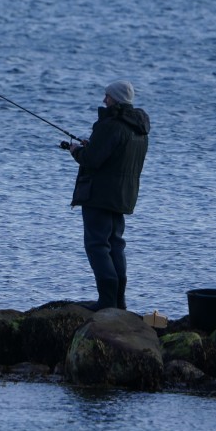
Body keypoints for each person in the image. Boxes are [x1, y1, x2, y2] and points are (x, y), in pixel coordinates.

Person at [65, 80, 150, 311]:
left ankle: (106, 301)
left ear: (116, 99)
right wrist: (91, 147)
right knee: (115, 244)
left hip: (100, 195)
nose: (104, 100)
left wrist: (78, 151)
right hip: (122, 196)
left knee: (97, 245)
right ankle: (118, 303)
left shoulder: (110, 125)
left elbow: (92, 160)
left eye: (107, 97)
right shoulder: (138, 128)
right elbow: (115, 156)